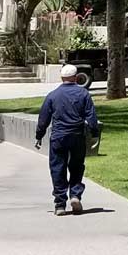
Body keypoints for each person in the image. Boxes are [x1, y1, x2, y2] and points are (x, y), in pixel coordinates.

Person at [33, 64, 99, 215]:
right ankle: (75, 195)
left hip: (58, 137)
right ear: (76, 78)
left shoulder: (52, 95)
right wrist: (94, 133)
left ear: (61, 78)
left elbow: (43, 119)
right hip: (77, 136)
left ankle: (60, 204)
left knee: (57, 168)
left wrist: (39, 136)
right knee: (76, 166)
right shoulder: (83, 94)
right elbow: (91, 116)